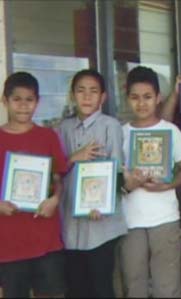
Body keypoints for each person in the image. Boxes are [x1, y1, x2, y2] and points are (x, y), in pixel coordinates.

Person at [120, 66, 181, 298]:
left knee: (167, 286)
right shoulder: (120, 133)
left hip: (165, 217)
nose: (141, 103)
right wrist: (128, 184)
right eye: (135, 97)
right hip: (130, 220)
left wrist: (166, 185)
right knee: (135, 284)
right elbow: (113, 178)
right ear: (127, 98)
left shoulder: (171, 131)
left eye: (147, 97)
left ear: (158, 98)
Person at [58, 69, 128, 298]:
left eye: (93, 91)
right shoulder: (62, 129)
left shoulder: (110, 126)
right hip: (70, 223)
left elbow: (116, 170)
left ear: (103, 97)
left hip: (101, 223)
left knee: (101, 286)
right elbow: (55, 171)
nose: (87, 97)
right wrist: (73, 157)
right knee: (76, 286)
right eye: (81, 91)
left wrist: (104, 204)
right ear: (72, 95)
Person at [0, 72, 67, 298]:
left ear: (37, 102)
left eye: (29, 100)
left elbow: (58, 178)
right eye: (17, 99)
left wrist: (55, 199)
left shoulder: (48, 136)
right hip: (8, 242)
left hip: (46, 239)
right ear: (4, 100)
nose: (23, 106)